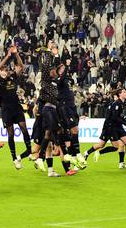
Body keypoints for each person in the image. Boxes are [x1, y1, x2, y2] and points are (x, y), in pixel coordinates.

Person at [30, 42, 77, 177]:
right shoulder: (45, 78)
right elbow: (47, 65)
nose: (54, 71)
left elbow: (60, 69)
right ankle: (40, 158)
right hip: (47, 110)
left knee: (53, 135)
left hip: (54, 110)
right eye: (53, 70)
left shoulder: (56, 81)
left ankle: (48, 166)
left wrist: (63, 64)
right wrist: (51, 52)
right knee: (51, 133)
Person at [84, 89, 126, 170]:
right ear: (119, 94)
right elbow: (114, 117)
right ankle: (88, 153)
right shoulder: (116, 104)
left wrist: (125, 121)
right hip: (111, 127)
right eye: (124, 92)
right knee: (109, 146)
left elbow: (119, 116)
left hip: (118, 126)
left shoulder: (122, 103)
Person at [0, 45, 31, 169]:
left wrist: (16, 54)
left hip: (16, 107)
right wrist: (8, 56)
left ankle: (29, 150)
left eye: (5, 69)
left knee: (24, 128)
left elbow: (21, 66)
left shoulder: (12, 77)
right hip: (6, 109)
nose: (4, 71)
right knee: (11, 135)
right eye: (2, 70)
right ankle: (14, 158)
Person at [56, 61, 87, 169]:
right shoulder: (58, 80)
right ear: (59, 71)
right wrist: (67, 66)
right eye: (62, 69)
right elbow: (62, 76)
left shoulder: (69, 80)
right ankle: (76, 154)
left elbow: (81, 79)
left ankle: (72, 155)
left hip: (72, 107)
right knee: (74, 130)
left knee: (73, 131)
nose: (65, 70)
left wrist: (87, 67)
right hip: (64, 107)